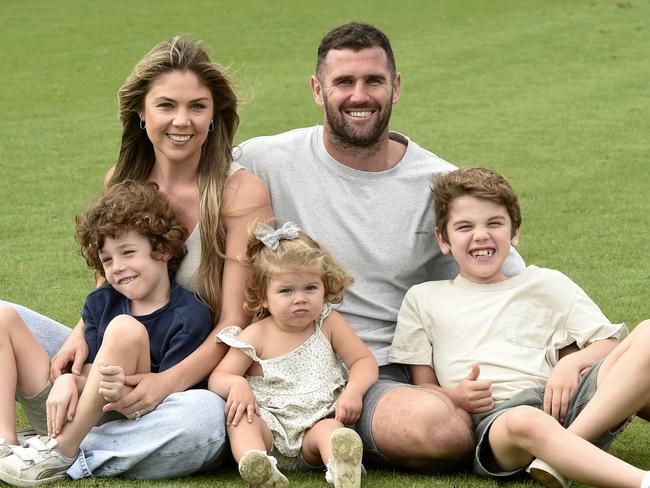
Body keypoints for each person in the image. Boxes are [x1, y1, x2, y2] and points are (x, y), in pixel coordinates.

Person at [234, 22, 525, 470]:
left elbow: (507, 273)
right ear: (317, 89)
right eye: (343, 82)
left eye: (373, 81)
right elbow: (181, 179)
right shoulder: (264, 159)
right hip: (287, 362)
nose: (359, 95)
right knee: (446, 427)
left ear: (396, 87)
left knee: (441, 429)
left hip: (379, 369)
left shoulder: (437, 184)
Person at [0, 36, 271, 478]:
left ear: (215, 117)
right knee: (0, 314)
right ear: (141, 115)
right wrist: (80, 336)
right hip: (110, 361)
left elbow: (234, 324)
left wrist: (164, 384)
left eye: (197, 107)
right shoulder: (122, 179)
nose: (181, 121)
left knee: (203, 426)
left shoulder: (239, 193)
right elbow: (110, 289)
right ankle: (18, 445)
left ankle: (63, 449)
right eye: (166, 106)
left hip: (186, 378)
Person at [389, 167, 650, 488]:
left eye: (494, 223)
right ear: (443, 239)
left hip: (569, 407)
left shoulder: (545, 283)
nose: (481, 235)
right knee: (528, 421)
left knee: (648, 332)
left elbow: (609, 344)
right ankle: (642, 482)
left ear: (515, 233)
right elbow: (423, 389)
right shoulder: (423, 298)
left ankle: (562, 451)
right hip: (500, 423)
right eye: (464, 226)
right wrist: (455, 397)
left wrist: (571, 362)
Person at [0, 181, 214, 485]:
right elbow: (85, 368)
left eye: (128, 252)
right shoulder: (103, 301)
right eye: (108, 259)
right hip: (62, 410)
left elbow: (167, 401)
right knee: (3, 317)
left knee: (125, 329)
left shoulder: (190, 317)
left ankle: (61, 453)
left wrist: (120, 392)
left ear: (163, 249)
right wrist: (65, 379)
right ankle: (6, 445)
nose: (118, 268)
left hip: (123, 423)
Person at [210, 222, 378, 488]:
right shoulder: (256, 335)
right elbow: (219, 376)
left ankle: (340, 466)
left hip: (317, 419)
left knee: (332, 432)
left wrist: (354, 391)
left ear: (324, 287)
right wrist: (237, 383)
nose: (300, 298)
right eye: (286, 290)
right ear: (263, 296)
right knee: (243, 421)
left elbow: (363, 361)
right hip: (269, 426)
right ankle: (258, 465)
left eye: (310, 288)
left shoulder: (328, 323)